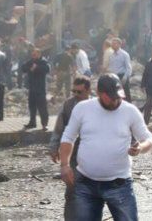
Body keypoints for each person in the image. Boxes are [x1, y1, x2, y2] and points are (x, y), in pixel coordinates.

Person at [59, 74, 152, 221]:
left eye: (118, 96)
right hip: (85, 182)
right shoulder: (82, 108)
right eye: (110, 97)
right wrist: (65, 165)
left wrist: (140, 148)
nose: (115, 101)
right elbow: (68, 137)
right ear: (98, 93)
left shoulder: (130, 111)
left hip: (120, 184)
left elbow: (149, 139)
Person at [48, 76, 91, 220]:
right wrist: (54, 147)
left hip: (93, 153)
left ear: (88, 91)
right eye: (74, 91)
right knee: (72, 189)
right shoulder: (68, 105)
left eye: (80, 92)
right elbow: (59, 128)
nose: (76, 95)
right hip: (73, 152)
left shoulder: (96, 105)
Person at [21, 48, 50, 130]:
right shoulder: (30, 61)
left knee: (42, 108)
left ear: (39, 54)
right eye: (32, 54)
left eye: (35, 54)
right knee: (32, 107)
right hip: (32, 88)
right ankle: (32, 122)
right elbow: (23, 68)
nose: (33, 56)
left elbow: (47, 69)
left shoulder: (43, 61)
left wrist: (37, 68)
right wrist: (29, 68)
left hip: (40, 89)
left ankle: (44, 124)